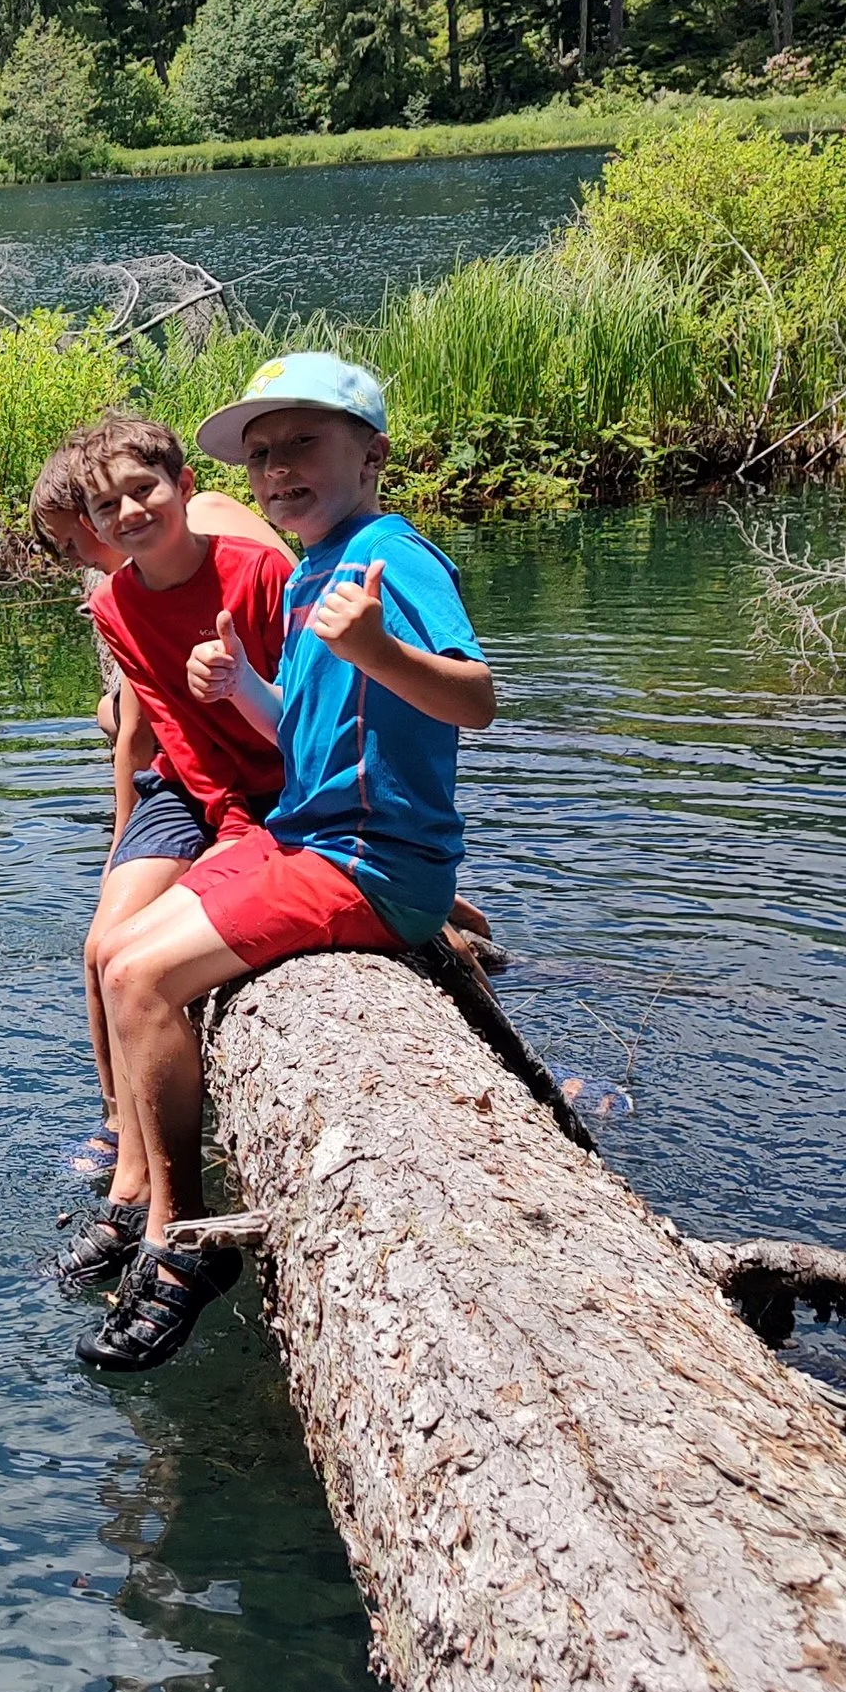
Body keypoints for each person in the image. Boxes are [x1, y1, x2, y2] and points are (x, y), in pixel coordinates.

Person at [79, 352, 496, 1376]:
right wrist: (242, 691)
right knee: (111, 953)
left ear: (371, 453)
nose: (276, 471)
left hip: (368, 860)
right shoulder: (316, 563)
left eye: (302, 442)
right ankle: (135, 1192)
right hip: (304, 836)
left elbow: (476, 700)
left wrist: (383, 653)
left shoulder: (391, 557)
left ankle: (182, 1241)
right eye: (260, 457)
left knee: (140, 977)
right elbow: (308, 734)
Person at [29, 421, 290, 1272]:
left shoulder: (252, 563)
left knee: (133, 957)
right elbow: (157, 728)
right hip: (196, 786)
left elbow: (322, 712)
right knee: (104, 943)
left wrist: (245, 830)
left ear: (181, 483)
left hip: (274, 784)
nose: (126, 516)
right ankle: (124, 1152)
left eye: (144, 490)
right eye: (105, 511)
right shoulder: (115, 599)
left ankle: (138, 1187)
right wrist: (156, 838)